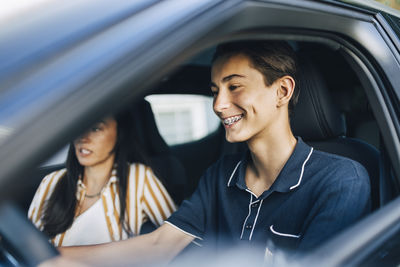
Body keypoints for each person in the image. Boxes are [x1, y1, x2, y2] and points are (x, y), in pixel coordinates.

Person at [43, 40, 370, 266]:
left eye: (234, 86)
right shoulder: (221, 175)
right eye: (215, 91)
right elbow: (160, 246)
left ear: (282, 91)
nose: (218, 104)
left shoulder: (341, 180)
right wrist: (49, 257)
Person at [29, 109, 176, 246]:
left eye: (95, 128)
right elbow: (27, 244)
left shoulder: (139, 178)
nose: (83, 138)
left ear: (119, 134)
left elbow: (176, 238)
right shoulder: (51, 181)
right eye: (79, 128)